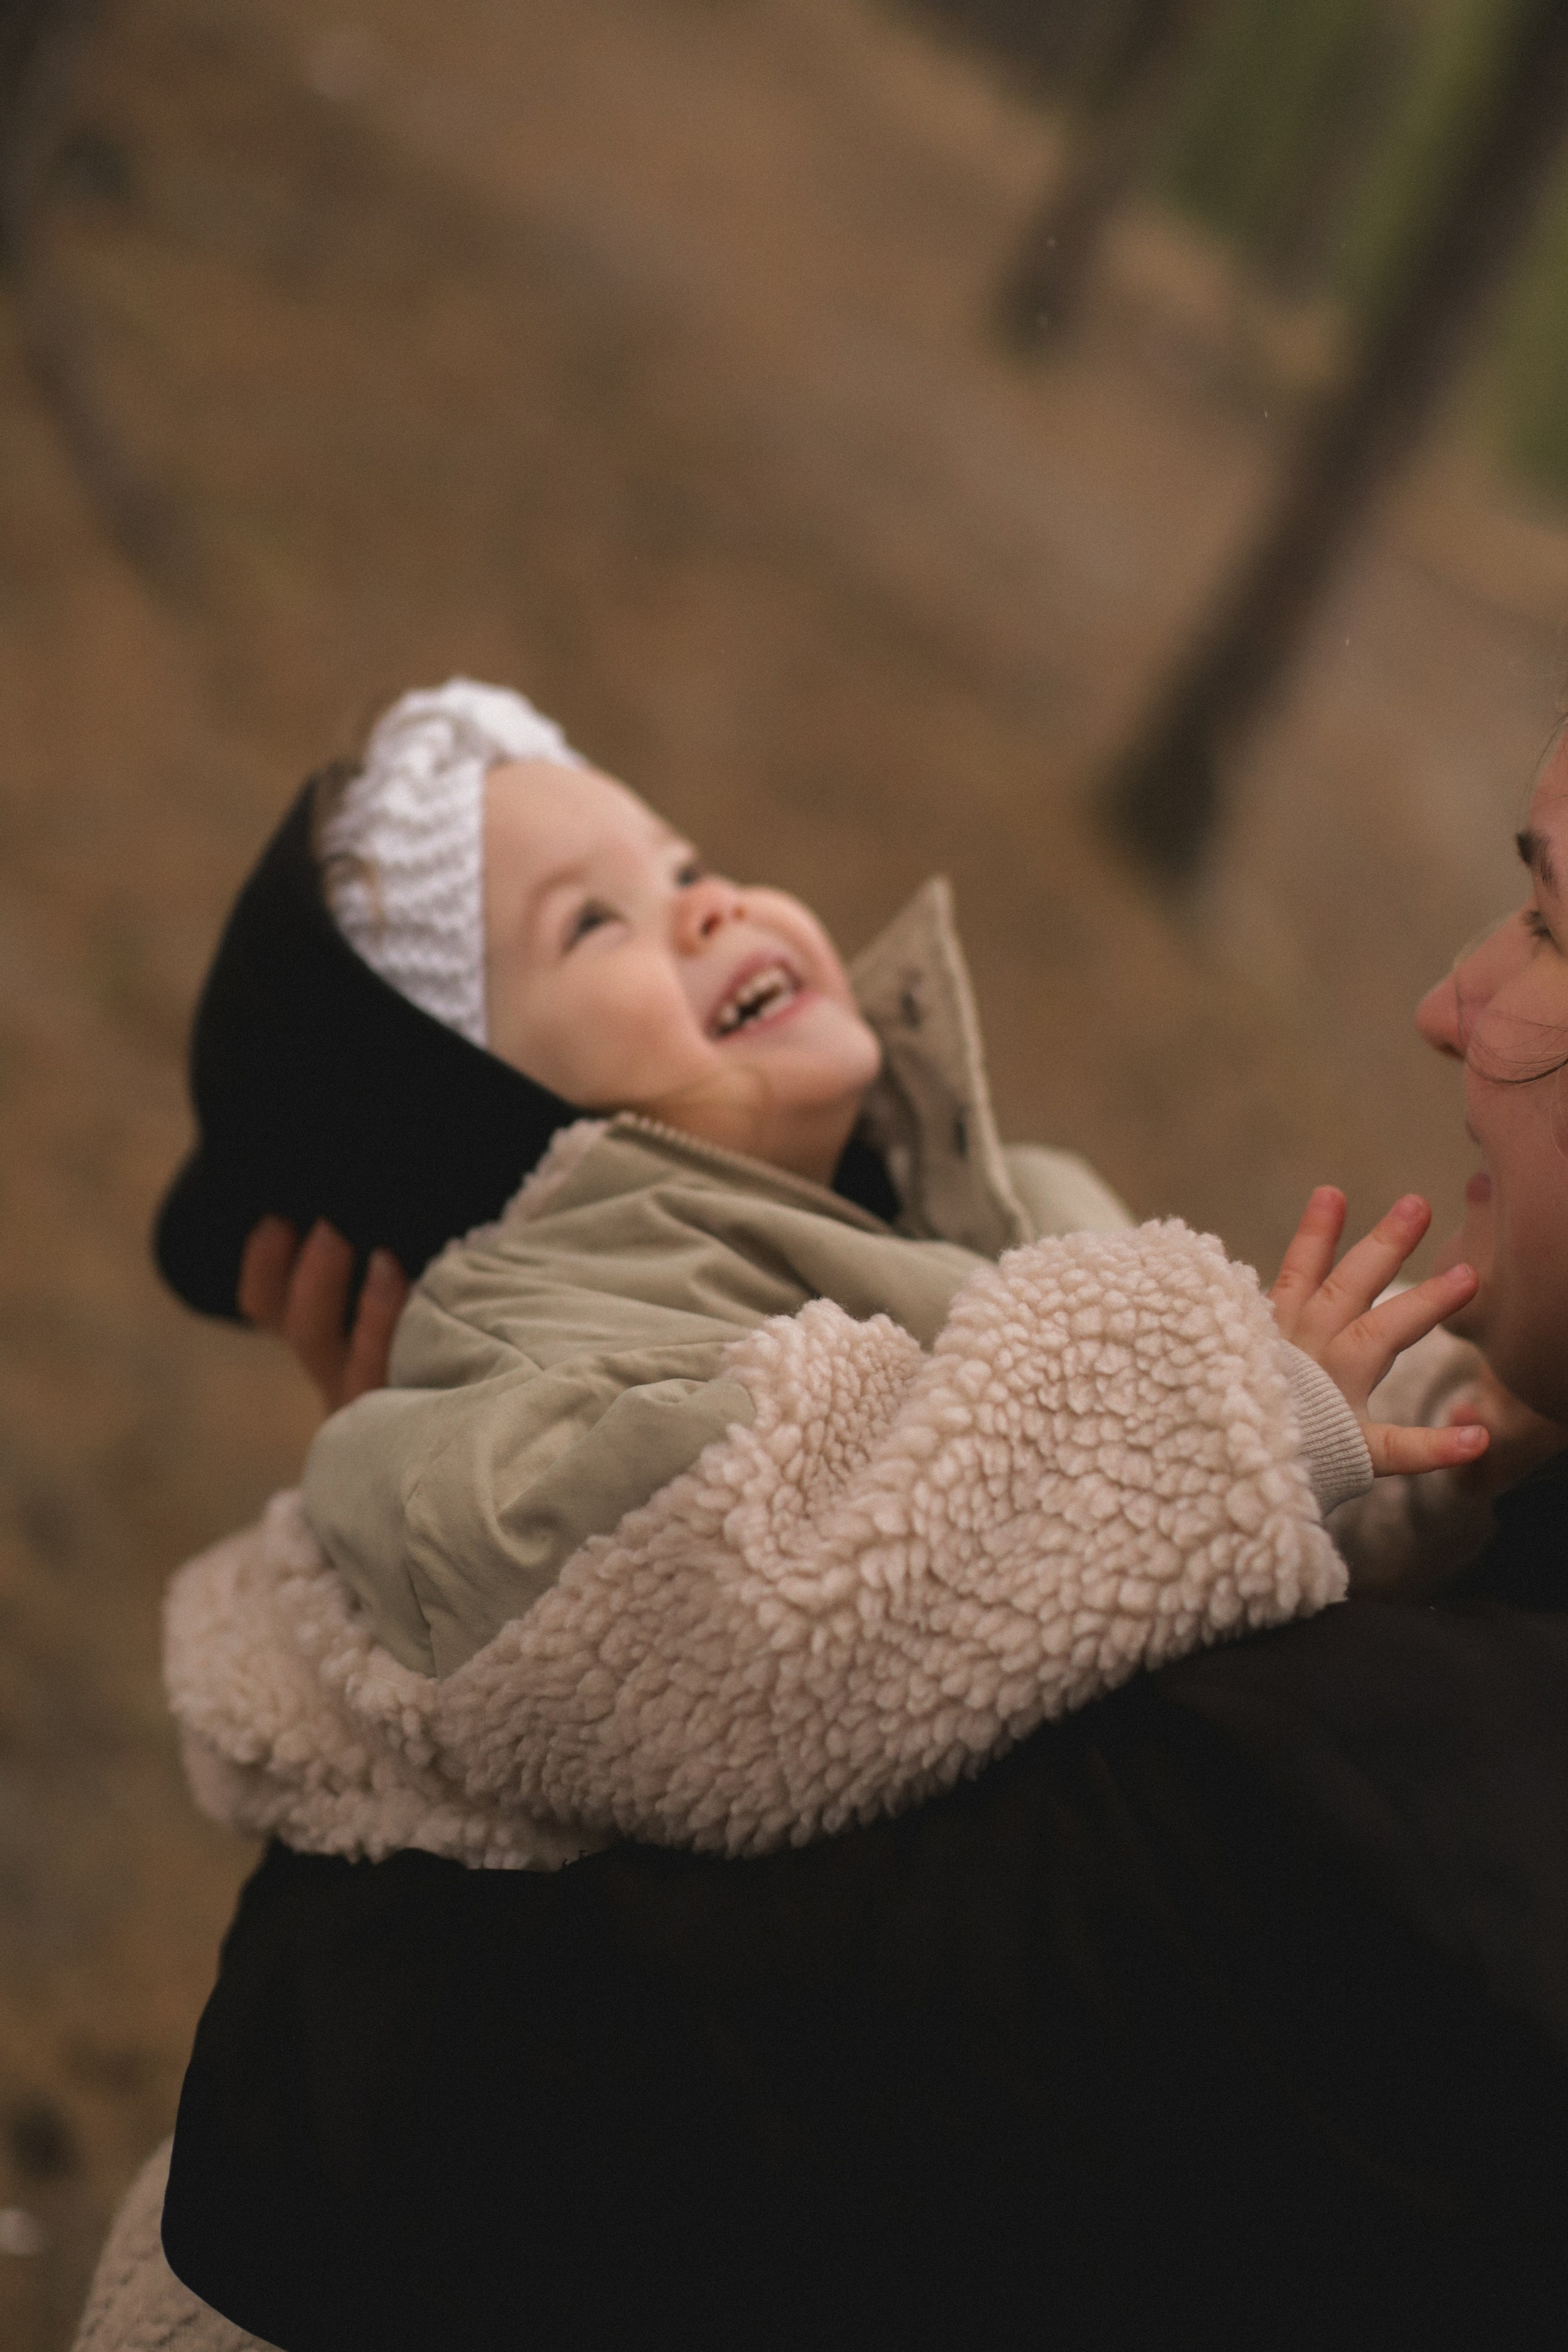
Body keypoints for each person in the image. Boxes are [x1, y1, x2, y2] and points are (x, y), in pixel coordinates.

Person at [75, 690, 1568, 2350]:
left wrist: (1397, 1458)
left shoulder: (1006, 1210)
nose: (709, 903)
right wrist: (1261, 1430)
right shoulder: (540, 1387)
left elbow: (1175, 1593)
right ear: (466, 1119)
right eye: (593, 923)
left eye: (684, 864)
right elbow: (755, 1617)